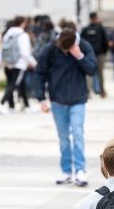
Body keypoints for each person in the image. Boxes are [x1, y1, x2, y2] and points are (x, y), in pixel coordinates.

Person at [32, 27, 97, 187]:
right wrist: (41, 98)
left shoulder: (84, 46)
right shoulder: (52, 48)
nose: (62, 50)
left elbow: (92, 69)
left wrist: (79, 56)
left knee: (77, 133)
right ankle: (67, 170)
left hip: (78, 99)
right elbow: (40, 72)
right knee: (63, 137)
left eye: (65, 49)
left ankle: (80, 170)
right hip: (57, 100)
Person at [0, 17, 34, 114]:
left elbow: (1, 50)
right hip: (19, 64)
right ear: (22, 23)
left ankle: (22, 106)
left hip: (8, 63)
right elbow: (25, 52)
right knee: (12, 85)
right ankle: (1, 103)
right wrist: (33, 62)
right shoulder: (23, 35)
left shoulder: (7, 34)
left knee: (20, 84)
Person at [81, 13, 109, 98]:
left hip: (89, 55)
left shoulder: (85, 29)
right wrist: (104, 52)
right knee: (100, 74)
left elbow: (82, 42)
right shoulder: (100, 29)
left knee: (89, 74)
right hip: (100, 54)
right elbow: (105, 42)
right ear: (96, 18)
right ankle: (102, 92)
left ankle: (88, 92)